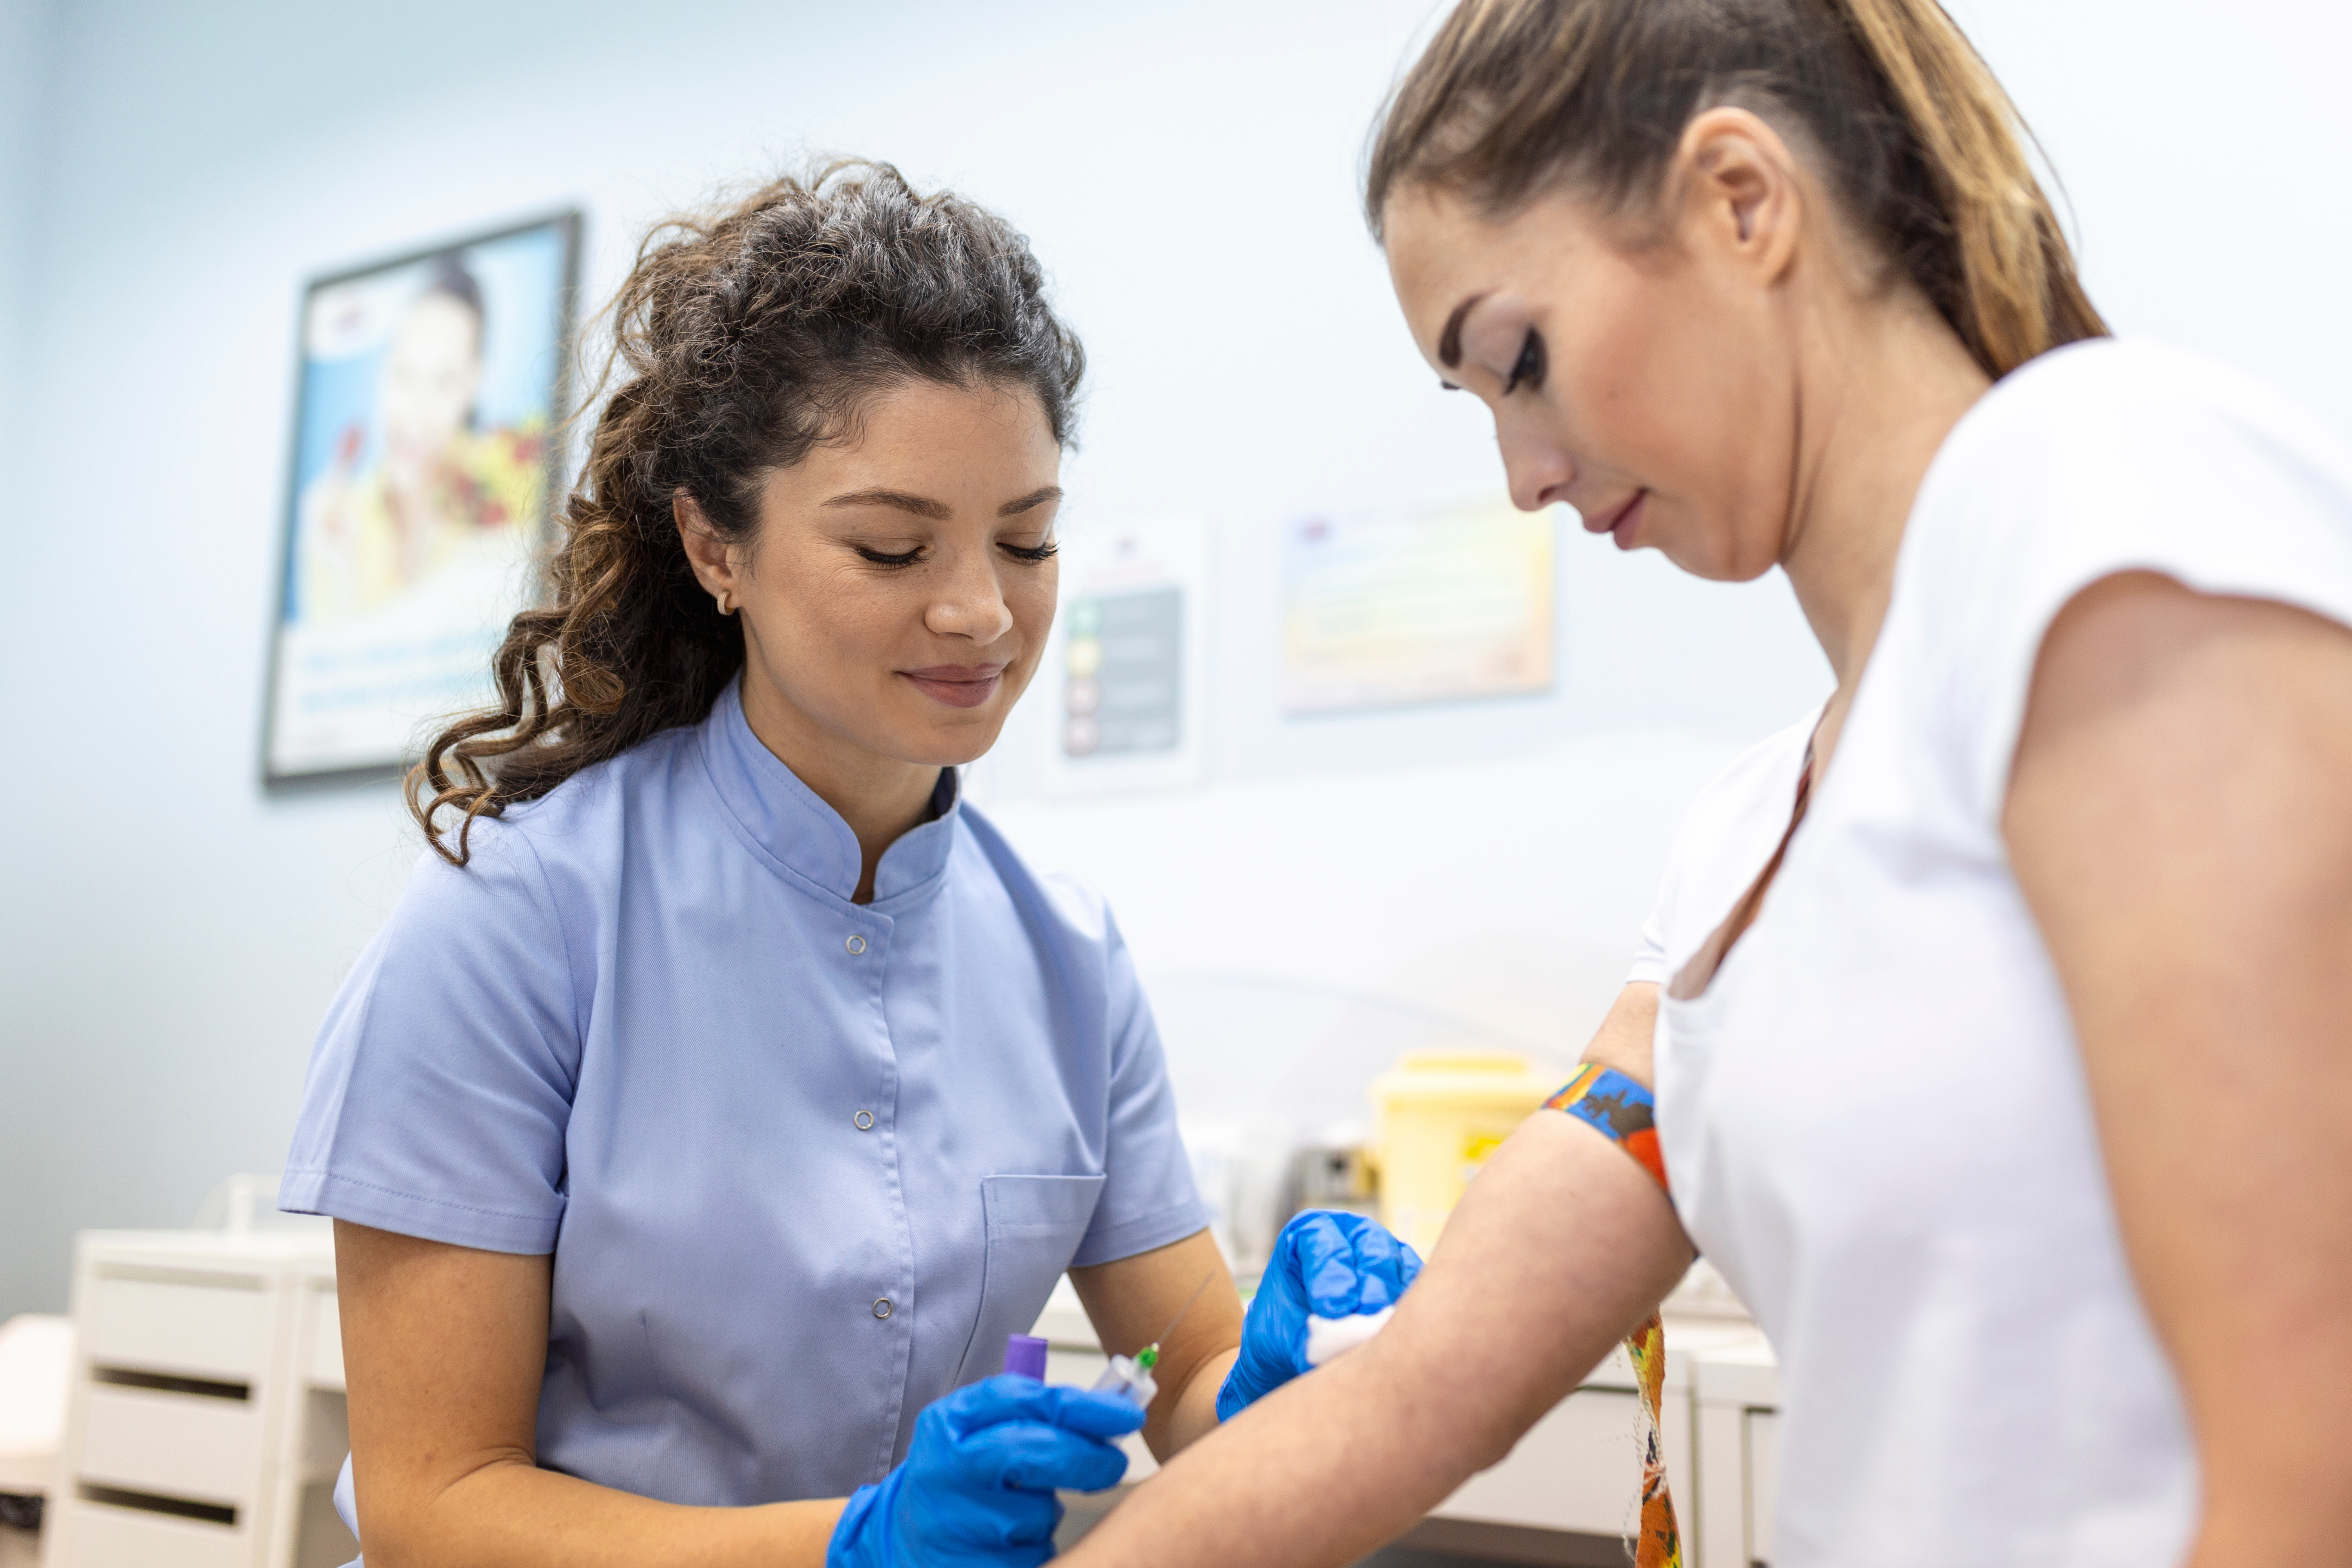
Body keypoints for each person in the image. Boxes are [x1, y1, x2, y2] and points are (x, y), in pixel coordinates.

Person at [1058, 3, 2352, 1566]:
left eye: (1516, 361)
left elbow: (2309, 1465)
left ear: (1740, 198)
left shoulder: (2093, 495)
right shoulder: (1754, 845)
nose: (1521, 475)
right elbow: (1410, 1396)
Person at [278, 162, 1412, 1568]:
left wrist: (1281, 1375)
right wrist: (849, 1543)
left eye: (1029, 538)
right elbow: (434, 1501)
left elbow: (1188, 1378)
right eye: (890, 545)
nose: (980, 609)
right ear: (715, 544)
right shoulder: (515, 921)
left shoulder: (1064, 957)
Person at [298, 253, 545, 624]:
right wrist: (338, 569)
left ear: (474, 383)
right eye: (404, 374)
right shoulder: (336, 515)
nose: (417, 410)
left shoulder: (514, 489)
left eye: (444, 381)